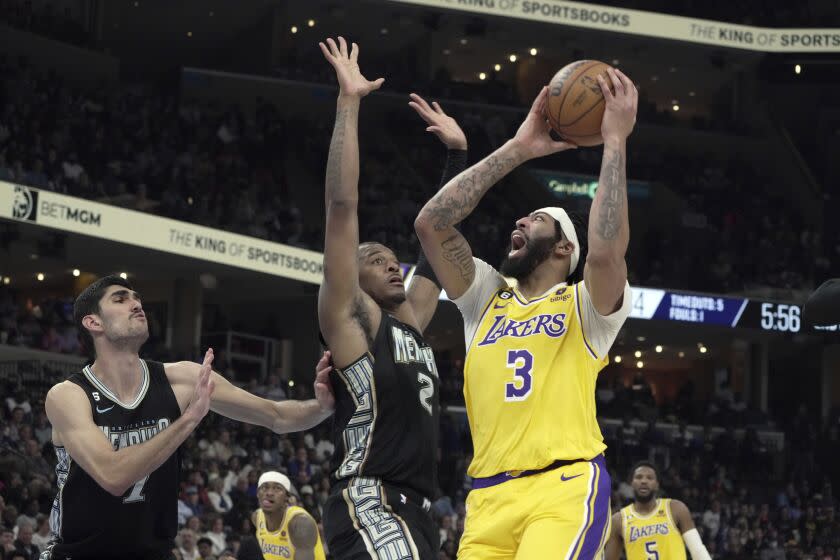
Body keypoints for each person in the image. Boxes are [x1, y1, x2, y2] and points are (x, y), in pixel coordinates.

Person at [414, 68, 638, 558]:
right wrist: (519, 149)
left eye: (536, 219)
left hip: (563, 486)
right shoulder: (485, 297)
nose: (520, 218)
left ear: (563, 249)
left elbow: (605, 253)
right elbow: (431, 224)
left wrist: (614, 140)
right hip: (489, 498)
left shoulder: (587, 306)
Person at [40, 275, 336, 560]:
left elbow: (277, 416)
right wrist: (189, 420)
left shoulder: (181, 378)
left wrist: (322, 405)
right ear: (93, 322)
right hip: (79, 554)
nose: (136, 303)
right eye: (120, 299)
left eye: (137, 298)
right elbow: (113, 476)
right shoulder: (68, 395)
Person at [317, 36, 467, 559]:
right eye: (373, 257)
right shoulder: (352, 320)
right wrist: (349, 103)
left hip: (419, 512)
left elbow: (437, 239)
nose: (389, 261)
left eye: (391, 257)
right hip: (369, 498)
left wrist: (456, 155)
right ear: (350, 277)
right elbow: (341, 205)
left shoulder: (413, 323)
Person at [605, 462, 712, 560]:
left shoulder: (675, 508)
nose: (644, 481)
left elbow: (698, 551)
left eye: (649, 478)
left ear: (657, 485)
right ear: (631, 483)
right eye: (639, 477)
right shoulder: (619, 520)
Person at [250, 471, 325, 560]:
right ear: (258, 494)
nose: (269, 493)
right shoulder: (257, 517)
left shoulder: (300, 523)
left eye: (277, 488)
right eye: (264, 488)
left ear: (287, 497)